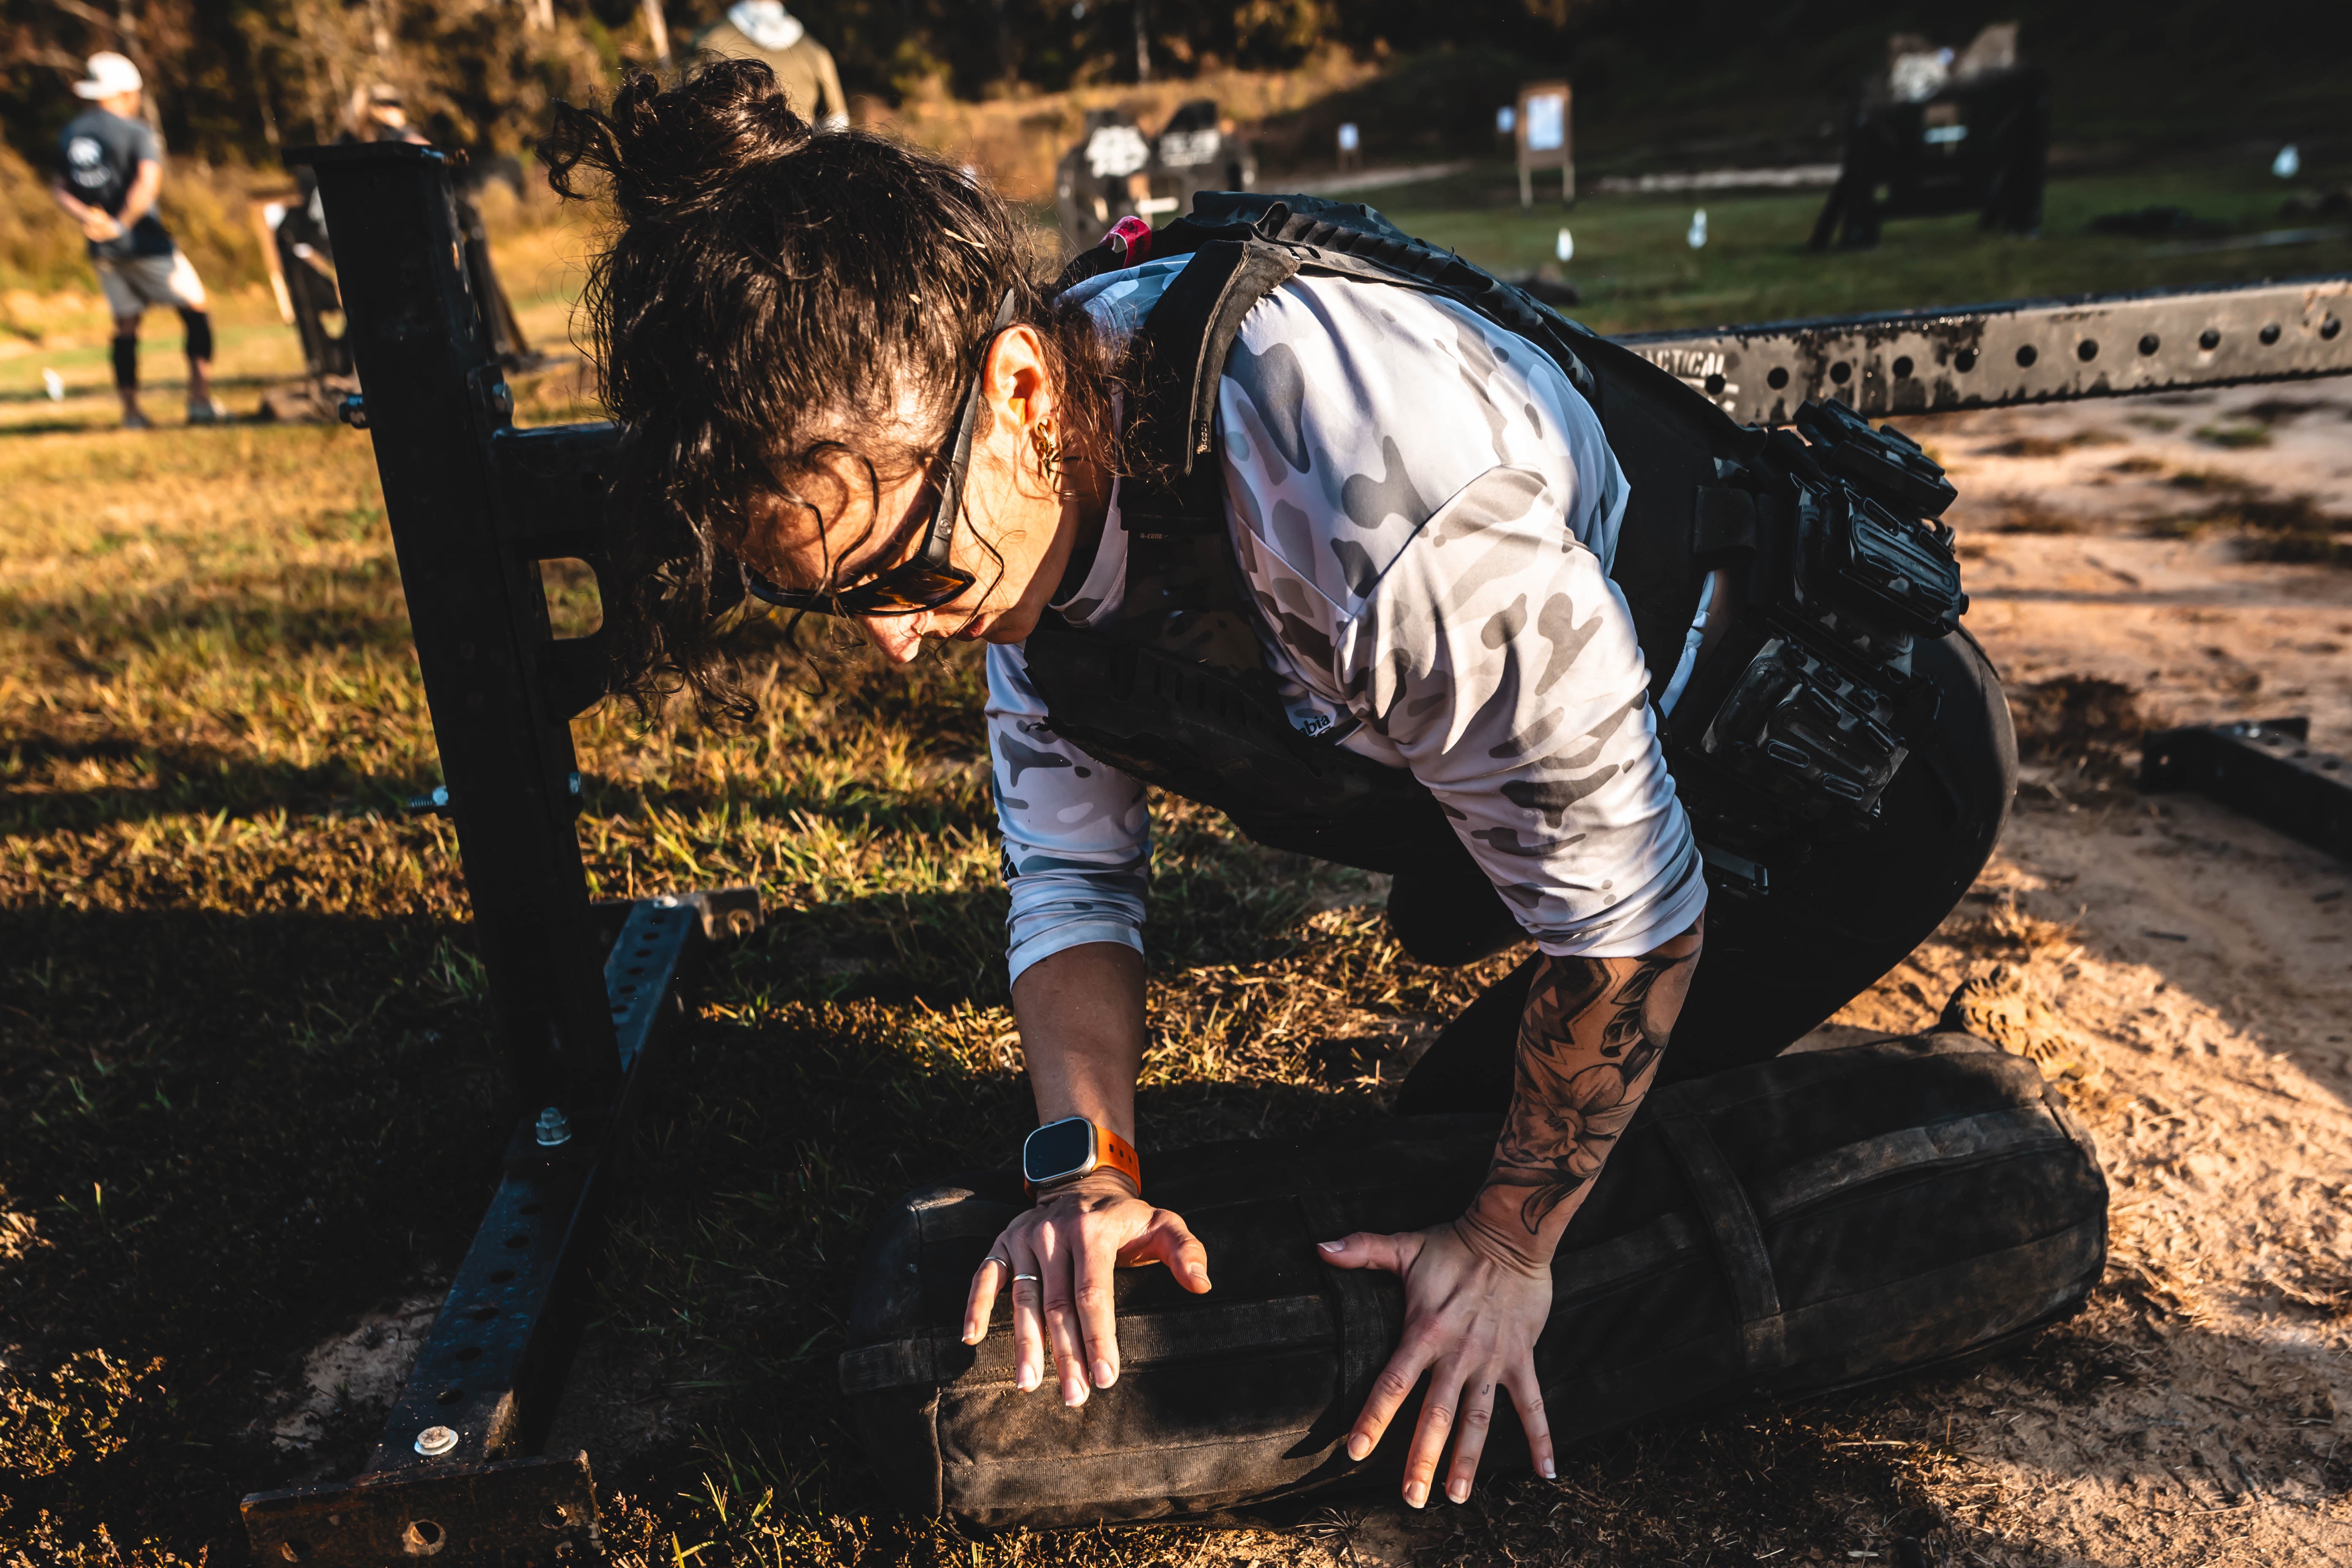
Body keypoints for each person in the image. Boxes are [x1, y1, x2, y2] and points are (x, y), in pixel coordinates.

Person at [540, 64, 2012, 1513]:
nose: (893, 634)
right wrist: (1085, 1172)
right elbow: (1070, 885)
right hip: (1566, 793)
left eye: (905, 571)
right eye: (828, 598)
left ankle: (1971, 1158)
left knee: (1466, 1160)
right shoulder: (1000, 493)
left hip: (1841, 779)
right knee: (1439, 1138)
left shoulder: (1357, 485)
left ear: (1018, 385)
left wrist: (1504, 1247)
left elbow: (1627, 926)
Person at [50, 52, 225, 429]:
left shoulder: (71, 133)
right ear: (126, 92)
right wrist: (121, 223)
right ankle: (199, 401)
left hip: (102, 250)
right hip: (145, 242)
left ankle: (132, 413)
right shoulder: (135, 132)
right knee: (196, 309)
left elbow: (61, 189)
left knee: (126, 327)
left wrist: (89, 219)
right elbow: (147, 184)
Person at [690, 1, 847, 129]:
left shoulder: (709, 39)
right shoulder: (814, 52)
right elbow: (837, 122)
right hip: (797, 162)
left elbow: (688, 110)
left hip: (729, 160)